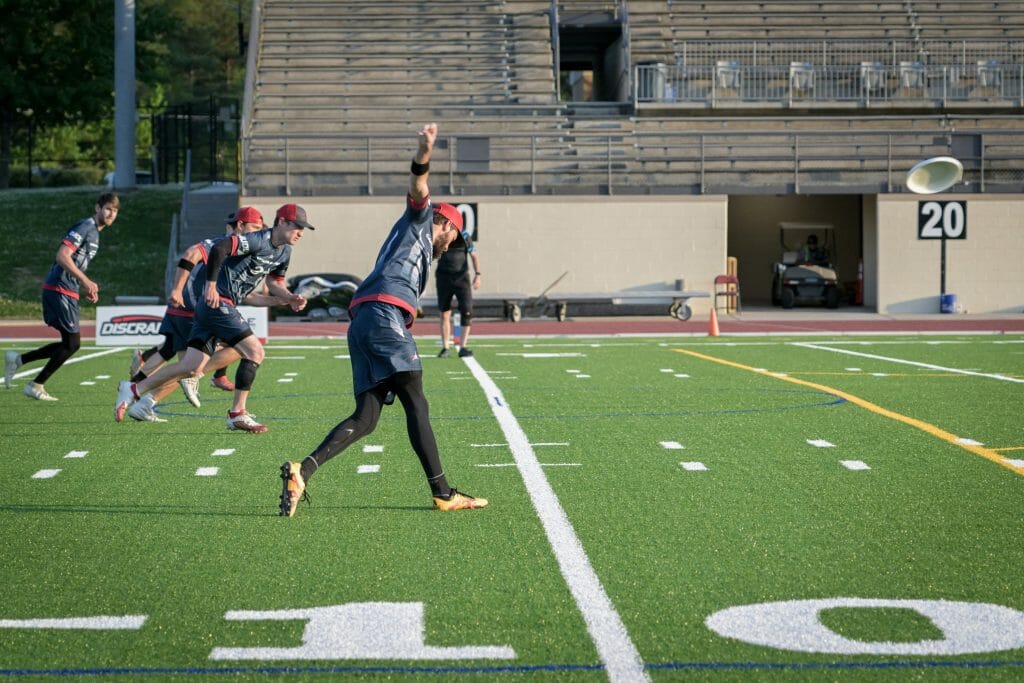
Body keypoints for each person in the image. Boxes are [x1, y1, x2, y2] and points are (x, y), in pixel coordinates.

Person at [279, 123, 487, 517]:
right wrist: (424, 150)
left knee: (367, 417)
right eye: (454, 237)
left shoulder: (420, 246)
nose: (452, 246)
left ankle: (301, 470)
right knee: (417, 403)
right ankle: (443, 492)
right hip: (381, 315)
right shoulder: (422, 222)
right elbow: (418, 187)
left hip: (364, 321)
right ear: (444, 223)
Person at [115, 204, 311, 431]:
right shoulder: (258, 239)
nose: (301, 232)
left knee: (190, 367)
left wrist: (289, 297)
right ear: (282, 222)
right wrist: (210, 286)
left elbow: (274, 283)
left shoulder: (285, 251)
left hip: (213, 307)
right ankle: (237, 413)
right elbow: (220, 248)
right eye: (298, 227)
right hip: (218, 303)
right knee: (254, 351)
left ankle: (133, 389)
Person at [5, 192, 120, 400]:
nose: (111, 213)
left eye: (115, 210)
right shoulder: (85, 227)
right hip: (58, 288)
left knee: (69, 343)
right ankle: (35, 384)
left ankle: (19, 360)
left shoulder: (96, 233)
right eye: (108, 208)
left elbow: (74, 264)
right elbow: (62, 256)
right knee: (72, 343)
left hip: (68, 290)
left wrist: (83, 287)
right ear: (97, 208)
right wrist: (85, 280)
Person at [434, 206, 481, 358]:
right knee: (444, 312)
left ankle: (463, 346)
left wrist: (478, 274)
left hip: (461, 277)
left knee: (467, 311)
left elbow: (474, 256)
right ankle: (446, 347)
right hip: (443, 276)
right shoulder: (441, 234)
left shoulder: (465, 235)